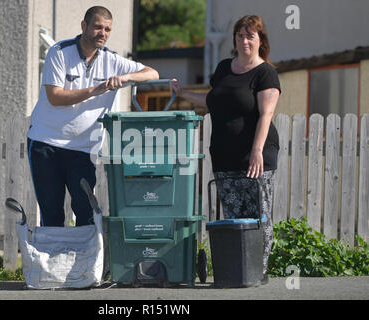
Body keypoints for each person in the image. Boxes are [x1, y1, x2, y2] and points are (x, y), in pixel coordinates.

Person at [170, 15, 280, 284]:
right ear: (234, 40)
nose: (244, 40)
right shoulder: (223, 68)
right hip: (224, 156)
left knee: (258, 215)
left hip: (256, 157)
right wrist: (183, 93)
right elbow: (212, 102)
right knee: (234, 215)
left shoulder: (265, 72)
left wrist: (256, 150)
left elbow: (266, 115)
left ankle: (259, 270)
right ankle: (240, 267)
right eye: (240, 35)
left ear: (260, 40)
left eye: (250, 35)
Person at [27, 6, 159, 227]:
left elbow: (152, 73)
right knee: (52, 216)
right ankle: (53, 262)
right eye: (98, 27)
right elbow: (55, 97)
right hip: (46, 142)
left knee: (86, 213)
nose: (103, 33)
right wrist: (94, 90)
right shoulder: (59, 52)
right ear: (84, 26)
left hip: (83, 149)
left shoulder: (112, 60)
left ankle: (84, 262)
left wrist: (125, 77)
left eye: (107, 29)